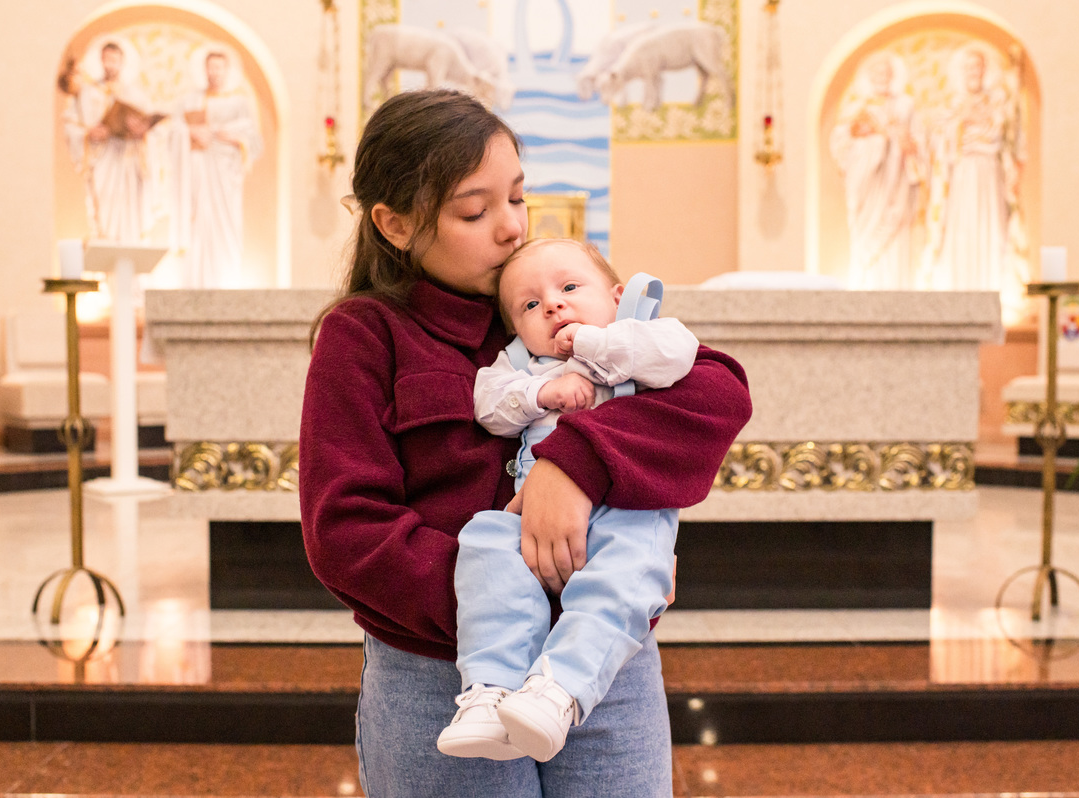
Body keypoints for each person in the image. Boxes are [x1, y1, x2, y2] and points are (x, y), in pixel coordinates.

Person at [299, 88, 752, 797]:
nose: (511, 228)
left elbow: (715, 390)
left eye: (518, 197)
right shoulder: (365, 336)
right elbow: (346, 529)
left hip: (603, 659)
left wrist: (570, 470)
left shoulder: (553, 297)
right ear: (394, 223)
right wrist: (506, 595)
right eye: (475, 211)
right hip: (439, 672)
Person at [435, 238, 698, 764]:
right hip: (532, 517)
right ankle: (490, 690)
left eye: (570, 288)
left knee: (623, 579)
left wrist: (595, 344)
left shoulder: (641, 337)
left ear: (618, 296)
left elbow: (679, 358)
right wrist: (540, 395)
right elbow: (488, 406)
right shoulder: (520, 363)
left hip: (629, 511)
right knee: (485, 541)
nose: (552, 305)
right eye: (530, 305)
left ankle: (560, 691)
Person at [927, 47, 1023, 292]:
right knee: (962, 229)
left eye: (978, 67)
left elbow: (997, 136)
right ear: (961, 72)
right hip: (961, 173)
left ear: (985, 70)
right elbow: (938, 139)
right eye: (968, 67)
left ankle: (993, 289)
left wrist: (975, 126)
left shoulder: (997, 102)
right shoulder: (953, 104)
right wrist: (962, 122)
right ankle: (958, 291)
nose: (974, 72)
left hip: (989, 174)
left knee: (990, 229)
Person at [830, 53, 924, 290]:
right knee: (865, 235)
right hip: (866, 184)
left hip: (896, 184)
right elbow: (841, 142)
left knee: (896, 232)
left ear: (893, 76)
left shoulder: (905, 106)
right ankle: (863, 282)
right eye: (876, 73)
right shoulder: (856, 108)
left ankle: (897, 290)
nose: (881, 77)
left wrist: (901, 141)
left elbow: (918, 143)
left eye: (886, 72)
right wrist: (869, 141)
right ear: (868, 77)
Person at [175, 49, 263, 288]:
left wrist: (232, 137)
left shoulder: (239, 103)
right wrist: (190, 133)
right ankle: (197, 281)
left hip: (226, 175)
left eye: (219, 67)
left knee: (227, 223)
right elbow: (174, 129)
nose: (214, 72)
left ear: (227, 70)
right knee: (199, 222)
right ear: (204, 70)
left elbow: (253, 139)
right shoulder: (191, 100)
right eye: (210, 67)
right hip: (199, 171)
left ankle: (225, 278)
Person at [60, 42, 157, 242]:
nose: (110, 65)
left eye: (114, 60)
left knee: (129, 207)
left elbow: (151, 126)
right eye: (106, 59)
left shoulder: (135, 94)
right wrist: (89, 133)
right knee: (105, 207)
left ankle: (131, 242)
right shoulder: (88, 92)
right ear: (100, 61)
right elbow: (70, 123)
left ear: (122, 62)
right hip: (103, 158)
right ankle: (105, 239)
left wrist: (141, 130)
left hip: (129, 158)